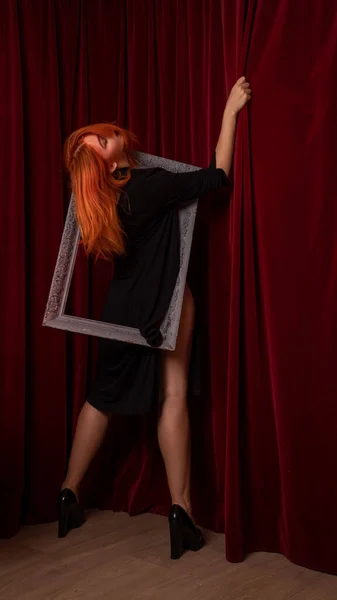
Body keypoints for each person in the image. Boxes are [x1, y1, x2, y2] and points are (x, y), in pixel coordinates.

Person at [58, 76, 252, 559]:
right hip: (167, 304)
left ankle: (68, 492)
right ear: (108, 158)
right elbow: (219, 176)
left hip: (120, 312)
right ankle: (181, 509)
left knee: (100, 399)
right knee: (172, 396)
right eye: (103, 139)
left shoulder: (101, 204)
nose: (112, 133)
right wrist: (230, 111)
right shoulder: (155, 186)